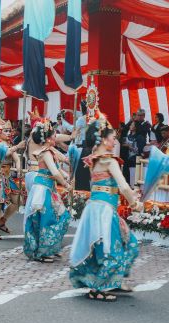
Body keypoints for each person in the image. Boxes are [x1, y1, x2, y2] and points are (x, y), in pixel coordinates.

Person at [69, 116, 144, 302]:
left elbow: (105, 185)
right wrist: (134, 202)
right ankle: (100, 288)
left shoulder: (93, 160)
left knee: (122, 243)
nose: (115, 140)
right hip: (105, 210)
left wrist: (133, 195)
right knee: (113, 248)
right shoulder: (108, 160)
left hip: (96, 208)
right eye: (112, 137)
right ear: (103, 140)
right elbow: (123, 186)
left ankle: (114, 281)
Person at [23, 118, 71, 263]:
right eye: (54, 135)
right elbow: (55, 173)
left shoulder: (50, 151)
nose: (56, 137)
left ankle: (50, 248)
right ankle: (42, 252)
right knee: (47, 219)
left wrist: (66, 176)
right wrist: (65, 184)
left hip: (48, 189)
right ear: (48, 139)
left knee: (60, 216)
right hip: (43, 189)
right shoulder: (45, 153)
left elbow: (57, 170)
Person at [121, 121, 143, 185]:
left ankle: (127, 183)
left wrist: (130, 147)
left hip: (135, 157)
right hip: (128, 156)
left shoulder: (139, 137)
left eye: (132, 125)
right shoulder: (128, 136)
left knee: (126, 164)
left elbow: (139, 151)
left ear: (135, 127)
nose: (130, 126)